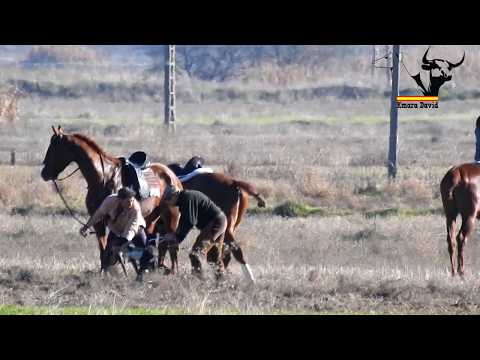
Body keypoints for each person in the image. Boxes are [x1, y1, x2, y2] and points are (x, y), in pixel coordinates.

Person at [80, 187, 153, 280]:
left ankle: (143, 274)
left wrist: (122, 242)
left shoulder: (135, 208)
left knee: (145, 251)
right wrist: (87, 226)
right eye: (127, 201)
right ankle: (107, 275)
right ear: (120, 200)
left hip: (136, 230)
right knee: (107, 253)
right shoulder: (110, 201)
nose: (130, 203)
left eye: (131, 200)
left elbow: (132, 227)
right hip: (117, 229)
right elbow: (99, 214)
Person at [162, 185, 228, 279]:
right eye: (165, 199)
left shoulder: (187, 198)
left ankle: (198, 282)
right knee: (214, 257)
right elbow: (184, 220)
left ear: (176, 195)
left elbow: (189, 221)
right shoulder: (184, 199)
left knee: (196, 253)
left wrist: (177, 238)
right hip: (219, 221)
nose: (167, 202)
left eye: (168, 199)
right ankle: (222, 283)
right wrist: (176, 235)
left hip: (216, 222)